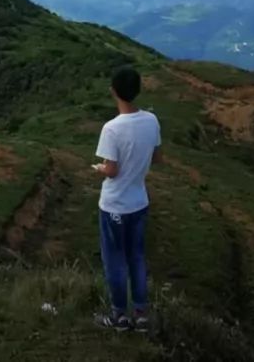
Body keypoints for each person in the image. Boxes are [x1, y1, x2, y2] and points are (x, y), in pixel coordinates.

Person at [92, 65, 162, 332]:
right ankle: (142, 315)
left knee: (115, 260)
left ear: (113, 92)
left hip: (114, 205)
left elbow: (111, 170)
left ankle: (119, 317)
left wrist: (99, 168)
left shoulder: (111, 128)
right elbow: (157, 157)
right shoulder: (151, 121)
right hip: (139, 202)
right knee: (137, 257)